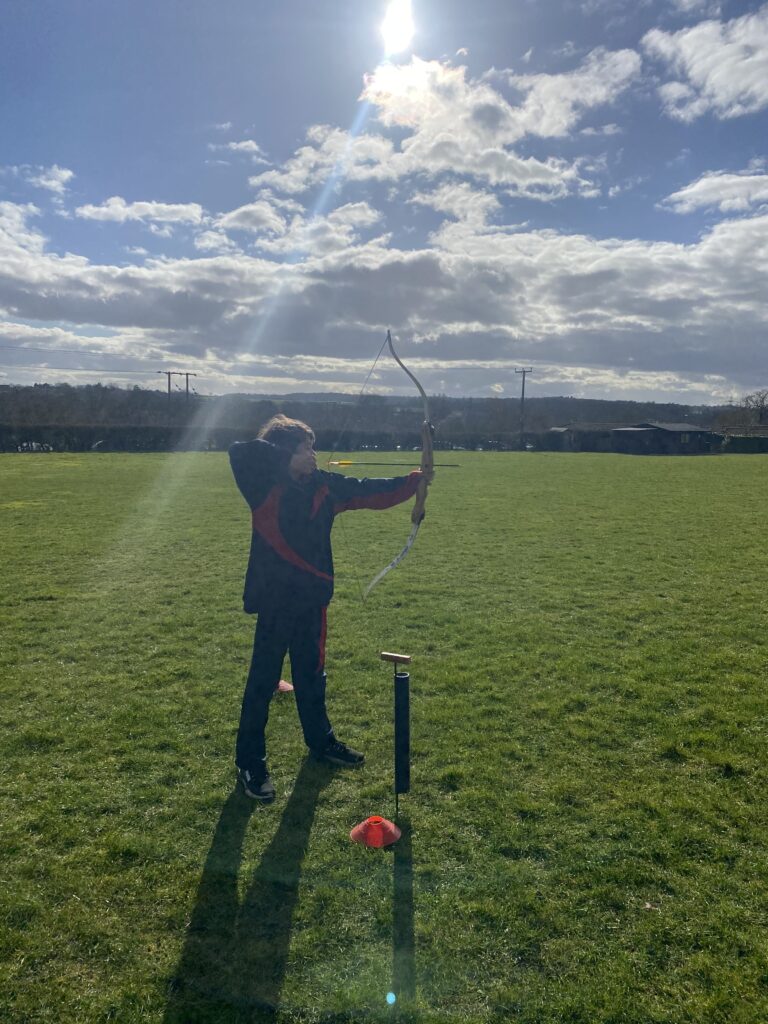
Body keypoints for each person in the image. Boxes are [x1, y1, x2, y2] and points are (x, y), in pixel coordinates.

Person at [229, 414, 428, 802]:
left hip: (312, 599)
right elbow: (241, 451)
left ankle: (321, 742)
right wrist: (287, 456)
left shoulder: (325, 485)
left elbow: (370, 490)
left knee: (312, 675)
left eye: (313, 446)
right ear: (285, 451)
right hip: (274, 601)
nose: (313, 453)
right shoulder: (261, 482)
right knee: (261, 683)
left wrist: (413, 482)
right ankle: (250, 762)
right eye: (306, 446)